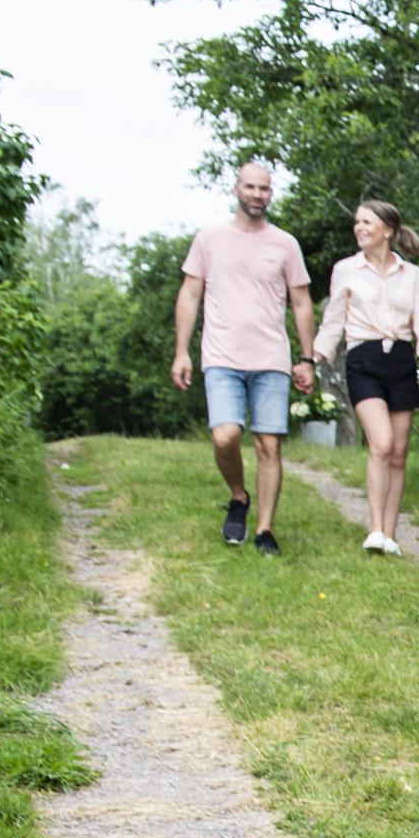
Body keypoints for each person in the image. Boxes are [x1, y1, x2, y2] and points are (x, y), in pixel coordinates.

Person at [171, 162, 316, 554]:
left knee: (269, 445)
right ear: (236, 189)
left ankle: (264, 531)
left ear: (271, 193)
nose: (257, 195)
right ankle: (238, 496)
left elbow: (301, 302)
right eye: (250, 187)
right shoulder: (210, 239)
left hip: (271, 358)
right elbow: (189, 295)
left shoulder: (285, 244)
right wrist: (181, 351)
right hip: (221, 356)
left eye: (264, 189)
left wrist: (307, 358)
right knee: (225, 436)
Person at [311, 199, 419, 554]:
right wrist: (314, 356)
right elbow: (333, 319)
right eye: (357, 223)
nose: (359, 228)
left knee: (398, 454)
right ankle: (375, 529)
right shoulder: (346, 270)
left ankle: (391, 537)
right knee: (381, 444)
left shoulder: (410, 274)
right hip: (363, 359)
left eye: (367, 222)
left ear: (388, 230)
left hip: (400, 360)